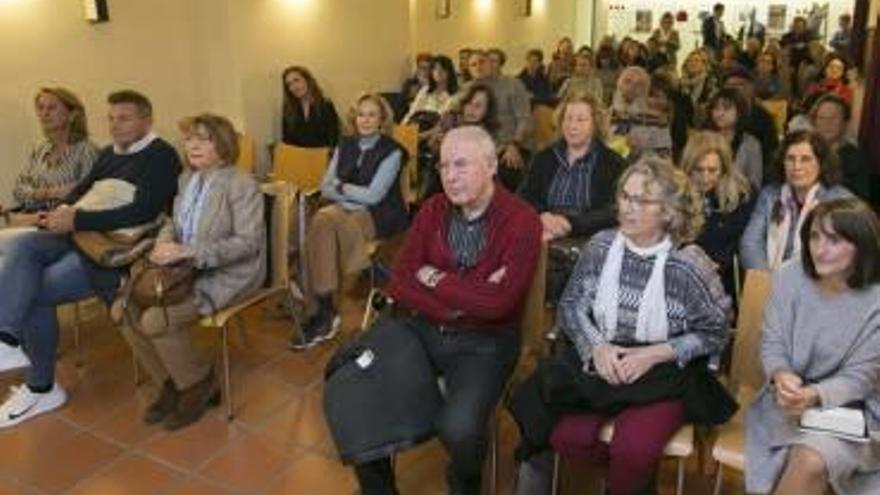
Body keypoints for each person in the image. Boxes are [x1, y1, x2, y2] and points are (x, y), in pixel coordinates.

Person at [513, 157, 732, 495]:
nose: (628, 208)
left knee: (633, 449)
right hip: (605, 358)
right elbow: (572, 306)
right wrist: (596, 348)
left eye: (642, 201)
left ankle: (625, 479)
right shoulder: (601, 246)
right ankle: (627, 481)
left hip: (664, 372)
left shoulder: (689, 264)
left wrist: (653, 355)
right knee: (565, 436)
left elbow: (715, 332)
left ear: (669, 211)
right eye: (625, 197)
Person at [346, 126, 542, 495]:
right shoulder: (434, 209)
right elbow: (401, 280)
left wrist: (434, 278)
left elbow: (498, 305)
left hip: (485, 343)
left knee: (460, 429)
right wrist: (462, 302)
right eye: (443, 166)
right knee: (355, 387)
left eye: (461, 164)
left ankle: (464, 484)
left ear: (491, 165)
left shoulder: (522, 220)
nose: (450, 176)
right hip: (420, 330)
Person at [0, 90, 181, 427]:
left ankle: (41, 386)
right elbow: (81, 190)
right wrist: (59, 212)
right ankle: (7, 339)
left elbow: (145, 210)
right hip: (78, 232)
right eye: (111, 118)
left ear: (146, 119)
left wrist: (77, 220)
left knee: (35, 290)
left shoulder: (162, 155)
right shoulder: (109, 153)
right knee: (20, 248)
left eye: (124, 118)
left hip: (112, 246)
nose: (115, 125)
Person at [118, 114, 264, 430]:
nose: (193, 145)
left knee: (157, 320)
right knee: (123, 309)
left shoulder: (241, 183)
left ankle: (198, 384)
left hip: (230, 272)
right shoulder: (187, 178)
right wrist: (164, 243)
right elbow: (173, 223)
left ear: (223, 144)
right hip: (183, 270)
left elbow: (249, 243)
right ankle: (172, 383)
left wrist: (191, 252)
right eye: (189, 139)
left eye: (204, 138)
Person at [745, 198, 880, 495]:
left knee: (810, 459)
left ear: (862, 245)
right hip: (786, 402)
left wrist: (816, 394)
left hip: (857, 413)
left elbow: (863, 377)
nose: (819, 248)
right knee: (807, 461)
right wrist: (780, 373)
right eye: (815, 237)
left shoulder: (876, 299)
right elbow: (773, 340)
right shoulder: (790, 275)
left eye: (834, 240)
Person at [291, 93, 408, 349]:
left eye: (372, 114)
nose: (365, 120)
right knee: (323, 219)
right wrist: (348, 193)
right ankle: (331, 303)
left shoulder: (393, 151)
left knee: (324, 223)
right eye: (360, 114)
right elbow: (324, 186)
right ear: (354, 118)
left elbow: (375, 196)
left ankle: (321, 309)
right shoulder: (345, 144)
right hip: (343, 209)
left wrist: (341, 187)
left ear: (382, 120)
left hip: (381, 213)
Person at [519, 91, 625, 242]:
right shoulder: (543, 158)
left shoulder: (613, 163)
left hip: (591, 238)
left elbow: (616, 209)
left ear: (595, 124)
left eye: (581, 120)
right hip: (544, 231)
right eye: (568, 118)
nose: (572, 125)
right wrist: (542, 215)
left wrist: (571, 224)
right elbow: (524, 196)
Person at [740, 130, 853, 271]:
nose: (797, 167)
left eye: (805, 159)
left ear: (821, 163)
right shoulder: (770, 195)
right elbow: (751, 243)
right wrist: (766, 280)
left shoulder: (840, 200)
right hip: (770, 282)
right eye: (790, 159)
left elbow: (844, 255)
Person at [2, 88, 99, 217]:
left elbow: (89, 196)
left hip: (65, 225)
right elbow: (18, 191)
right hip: (33, 219)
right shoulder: (41, 150)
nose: (44, 113)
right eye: (41, 108)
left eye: (51, 108)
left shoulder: (86, 150)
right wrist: (49, 193)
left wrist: (35, 194)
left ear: (72, 114)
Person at [681, 131, 754, 299]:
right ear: (688, 167)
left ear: (725, 169)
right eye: (698, 170)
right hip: (684, 278)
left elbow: (741, 244)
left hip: (724, 281)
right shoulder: (676, 194)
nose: (705, 177)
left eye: (712, 170)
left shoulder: (741, 196)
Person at [458, 50, 533, 190]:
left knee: (507, 169)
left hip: (511, 145)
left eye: (482, 62)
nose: (478, 67)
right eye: (473, 65)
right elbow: (458, 120)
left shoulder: (513, 85)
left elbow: (525, 119)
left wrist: (514, 144)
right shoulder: (467, 89)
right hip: (478, 147)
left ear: (490, 64)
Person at [810, 94, 870, 200]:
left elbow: (857, 202)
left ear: (845, 122)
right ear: (814, 123)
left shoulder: (856, 158)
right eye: (821, 118)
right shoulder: (806, 152)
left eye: (833, 118)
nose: (827, 123)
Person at [723, 68, 780, 180]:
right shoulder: (717, 114)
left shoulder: (763, 117)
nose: (733, 89)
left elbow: (771, 151)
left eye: (739, 84)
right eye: (729, 86)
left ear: (751, 87)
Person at [705, 88, 764, 190]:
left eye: (726, 108)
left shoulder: (751, 144)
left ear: (740, 111)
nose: (720, 113)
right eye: (716, 108)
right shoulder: (704, 140)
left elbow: (755, 183)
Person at [281, 66, 340, 148]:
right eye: (289, 84)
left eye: (296, 80)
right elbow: (287, 142)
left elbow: (333, 140)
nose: (294, 87)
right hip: (296, 158)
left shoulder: (326, 105)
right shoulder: (288, 110)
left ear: (307, 80)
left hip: (321, 158)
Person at [402, 55, 458, 126]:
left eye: (442, 69)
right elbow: (412, 111)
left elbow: (446, 119)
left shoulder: (455, 94)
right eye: (435, 68)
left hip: (440, 130)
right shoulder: (425, 90)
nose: (438, 72)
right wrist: (403, 127)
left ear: (449, 72)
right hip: (419, 126)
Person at [679, 49, 720, 127]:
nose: (692, 63)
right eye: (689, 60)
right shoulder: (680, 83)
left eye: (696, 60)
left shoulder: (710, 83)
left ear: (703, 65)